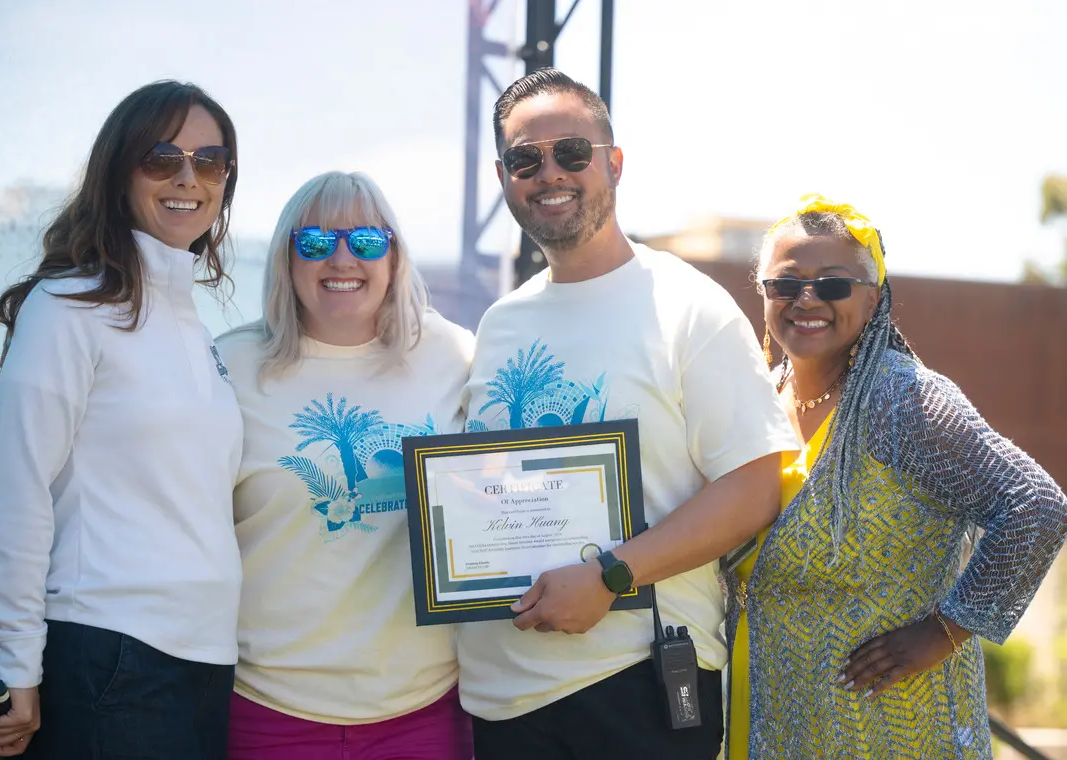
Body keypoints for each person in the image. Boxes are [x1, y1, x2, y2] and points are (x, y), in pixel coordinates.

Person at [459, 68, 798, 760]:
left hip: (637, 687)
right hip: (503, 697)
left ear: (613, 162)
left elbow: (755, 487)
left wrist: (613, 576)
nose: (549, 171)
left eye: (572, 152)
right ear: (504, 176)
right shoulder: (499, 325)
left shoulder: (688, 307)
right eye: (527, 159)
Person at [734, 194, 1067, 759]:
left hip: (889, 726)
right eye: (786, 284)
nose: (807, 299)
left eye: (834, 284)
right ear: (764, 293)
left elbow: (1035, 505)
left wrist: (945, 632)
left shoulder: (903, 399)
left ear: (873, 300)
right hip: (772, 711)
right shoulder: (757, 396)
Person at [0, 80, 244, 759]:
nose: (189, 178)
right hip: (110, 655)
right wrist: (18, 668)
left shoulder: (192, 322)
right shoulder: (68, 307)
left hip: (207, 662)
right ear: (119, 171)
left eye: (209, 161)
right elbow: (18, 490)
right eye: (162, 158)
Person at [216, 171, 475, 760]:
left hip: (424, 709)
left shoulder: (453, 355)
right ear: (287, 258)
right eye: (314, 242)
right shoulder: (229, 365)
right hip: (267, 706)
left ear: (393, 255)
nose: (341, 259)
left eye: (364, 241)